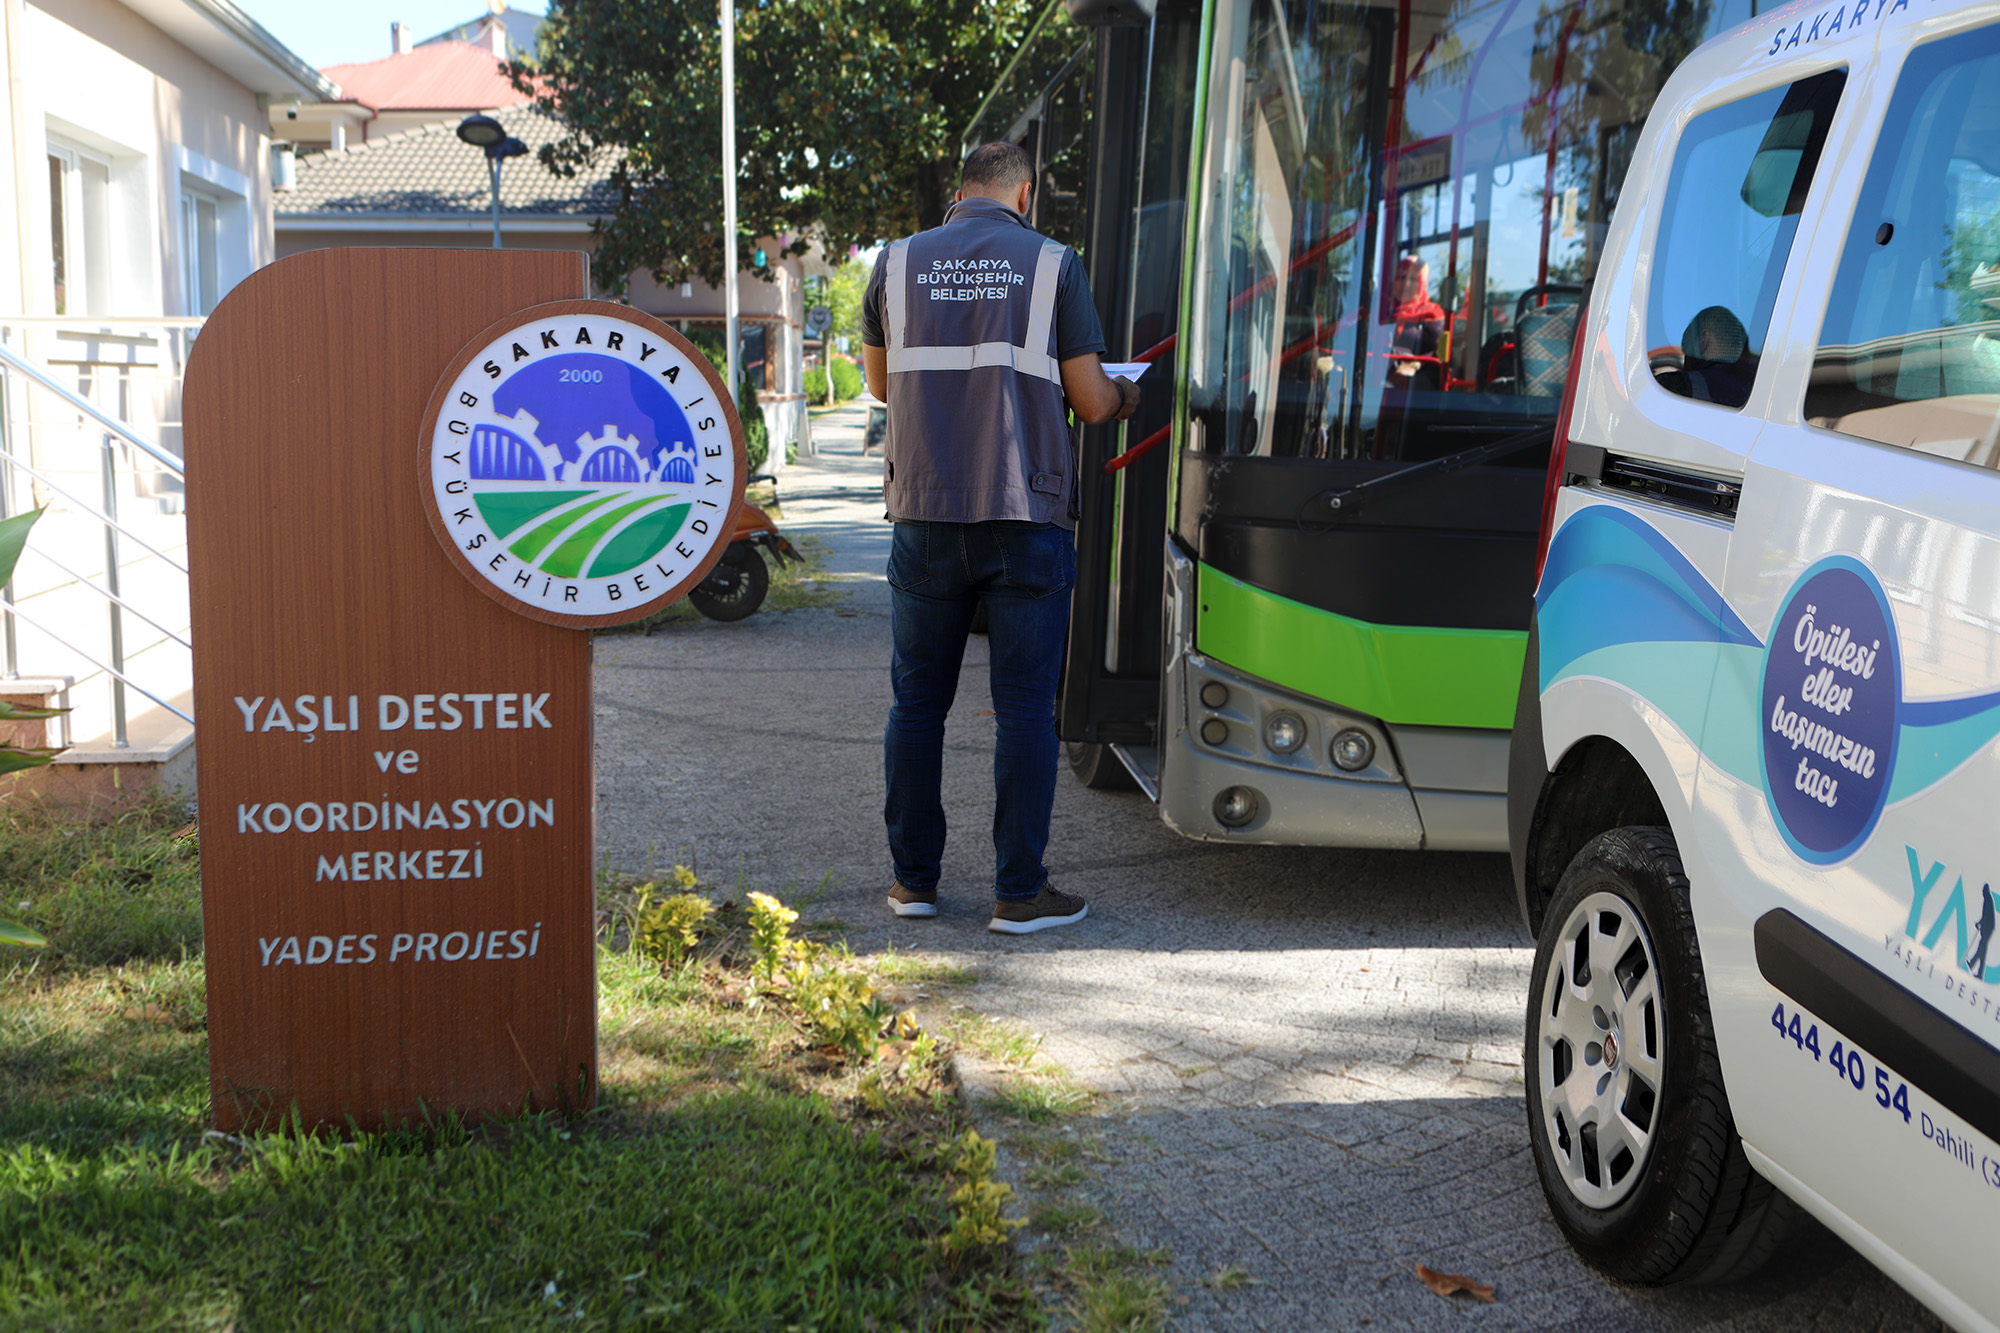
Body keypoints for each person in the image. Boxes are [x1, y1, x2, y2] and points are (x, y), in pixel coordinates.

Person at [861, 141, 1139, 934]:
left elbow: (882, 387)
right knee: (1023, 709)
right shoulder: (1053, 261)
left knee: (916, 704)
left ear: (959, 193)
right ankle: (1019, 893)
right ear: (1024, 193)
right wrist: (1123, 395)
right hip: (1027, 514)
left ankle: (914, 883)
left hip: (923, 509)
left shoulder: (895, 262)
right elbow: (1088, 402)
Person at [1386, 255, 1446, 391]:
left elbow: (1437, 355)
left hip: (1413, 386)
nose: (1406, 284)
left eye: (1413, 279)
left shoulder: (1433, 314)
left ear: (1422, 283)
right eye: (1402, 277)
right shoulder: (1382, 312)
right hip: (1378, 378)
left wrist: (1413, 365)